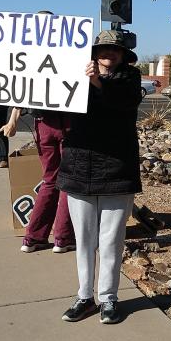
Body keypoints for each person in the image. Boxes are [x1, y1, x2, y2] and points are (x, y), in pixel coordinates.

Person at [57, 30, 143, 324]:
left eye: (114, 50)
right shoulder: (70, 75)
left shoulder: (130, 78)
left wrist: (95, 83)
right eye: (102, 49)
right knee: (84, 240)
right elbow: (42, 101)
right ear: (93, 53)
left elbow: (124, 102)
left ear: (122, 55)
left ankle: (108, 298)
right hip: (79, 168)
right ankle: (85, 296)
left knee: (111, 240)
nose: (108, 54)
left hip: (117, 170)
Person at [0, 105, 76, 253]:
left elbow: (23, 91)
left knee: (49, 181)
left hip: (43, 125)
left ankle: (33, 237)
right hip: (68, 123)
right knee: (68, 180)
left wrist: (12, 121)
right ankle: (63, 237)